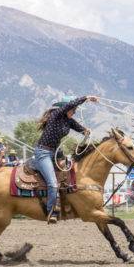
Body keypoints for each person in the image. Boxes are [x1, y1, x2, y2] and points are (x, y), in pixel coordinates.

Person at [35, 95, 98, 223]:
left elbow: (80, 129)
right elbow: (70, 105)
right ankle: (51, 211)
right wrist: (86, 97)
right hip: (43, 152)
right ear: (65, 108)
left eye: (75, 109)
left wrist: (86, 131)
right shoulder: (56, 116)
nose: (74, 111)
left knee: (68, 177)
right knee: (52, 183)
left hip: (56, 152)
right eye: (73, 109)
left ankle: (66, 204)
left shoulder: (68, 121)